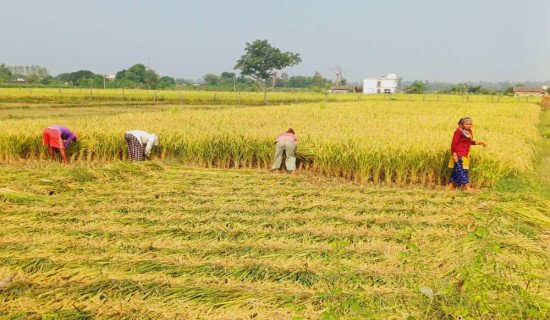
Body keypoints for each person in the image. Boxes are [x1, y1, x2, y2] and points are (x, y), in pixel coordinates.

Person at [448, 117, 487, 191]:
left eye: (470, 124)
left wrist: (479, 143)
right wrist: (454, 154)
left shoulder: (469, 131)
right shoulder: (458, 132)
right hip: (459, 154)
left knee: (457, 169)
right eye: (466, 124)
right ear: (462, 124)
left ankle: (451, 185)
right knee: (463, 170)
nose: (468, 125)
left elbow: (469, 142)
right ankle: (467, 187)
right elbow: (454, 143)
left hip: (465, 153)